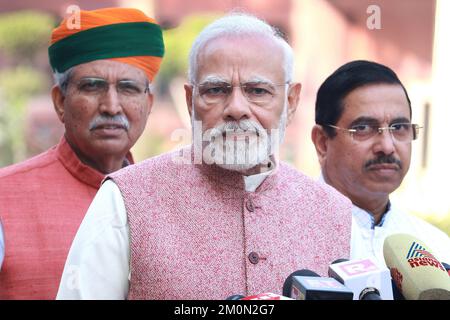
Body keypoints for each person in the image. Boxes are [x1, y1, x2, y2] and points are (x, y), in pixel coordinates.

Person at [57, 13, 353, 300]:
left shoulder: (334, 213)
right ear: (190, 102)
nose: (236, 108)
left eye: (258, 91)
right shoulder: (125, 200)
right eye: (215, 90)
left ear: (290, 101)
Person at [0, 8, 165, 299]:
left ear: (148, 103)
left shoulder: (169, 200)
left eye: (127, 88)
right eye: (93, 87)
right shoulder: (5, 198)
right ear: (60, 101)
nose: (112, 106)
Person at [311, 60, 450, 267]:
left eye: (399, 127)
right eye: (364, 127)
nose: (387, 146)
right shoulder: (285, 232)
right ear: (322, 142)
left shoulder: (435, 249)